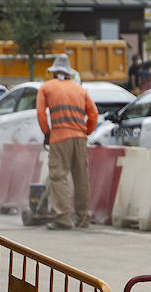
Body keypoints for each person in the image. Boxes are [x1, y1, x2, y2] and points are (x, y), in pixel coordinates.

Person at [36, 55, 98, 231]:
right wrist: (87, 131)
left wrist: (47, 132)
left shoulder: (46, 88)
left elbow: (41, 113)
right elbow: (93, 114)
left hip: (59, 138)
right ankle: (83, 216)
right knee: (81, 177)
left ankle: (63, 216)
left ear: (54, 72)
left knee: (58, 176)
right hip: (80, 137)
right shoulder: (80, 90)